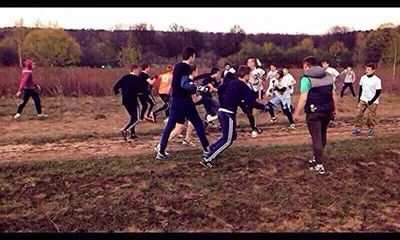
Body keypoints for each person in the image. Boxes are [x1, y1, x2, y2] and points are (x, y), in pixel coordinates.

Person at [155, 46, 210, 160]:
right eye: (194, 55)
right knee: (198, 124)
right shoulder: (186, 67)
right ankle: (206, 149)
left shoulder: (177, 66)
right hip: (184, 101)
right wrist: (197, 88)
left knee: (170, 125)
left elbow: (176, 84)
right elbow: (184, 84)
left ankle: (161, 150)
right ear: (192, 56)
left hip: (175, 100)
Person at [200, 65, 259, 168]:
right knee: (228, 140)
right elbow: (251, 102)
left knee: (231, 136)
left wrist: (223, 102)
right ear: (246, 75)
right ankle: (208, 159)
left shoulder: (232, 82)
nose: (249, 76)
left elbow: (221, 89)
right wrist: (265, 107)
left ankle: (212, 148)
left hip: (223, 111)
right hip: (228, 113)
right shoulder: (242, 85)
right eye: (249, 74)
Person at [293, 56, 338, 175]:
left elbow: (303, 98)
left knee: (316, 137)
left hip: (314, 113)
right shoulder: (329, 76)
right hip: (327, 111)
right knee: (322, 135)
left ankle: (319, 165)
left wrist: (296, 112)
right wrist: (335, 109)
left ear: (306, 66)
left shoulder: (306, 79)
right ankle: (317, 157)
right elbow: (334, 94)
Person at [352, 63, 382, 137]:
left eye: (369, 69)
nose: (367, 71)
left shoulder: (377, 80)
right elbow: (361, 89)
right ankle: (357, 128)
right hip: (363, 99)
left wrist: (372, 101)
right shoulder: (363, 78)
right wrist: (359, 99)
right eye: (366, 69)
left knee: (369, 116)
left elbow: (378, 92)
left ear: (373, 70)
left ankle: (371, 129)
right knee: (358, 114)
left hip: (373, 101)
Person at [113, 65, 141, 141]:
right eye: (137, 70)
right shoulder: (136, 79)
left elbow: (116, 86)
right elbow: (140, 91)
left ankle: (133, 134)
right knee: (137, 119)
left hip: (125, 100)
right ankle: (125, 130)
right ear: (135, 70)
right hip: (133, 100)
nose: (138, 72)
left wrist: (118, 92)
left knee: (133, 117)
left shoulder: (124, 77)